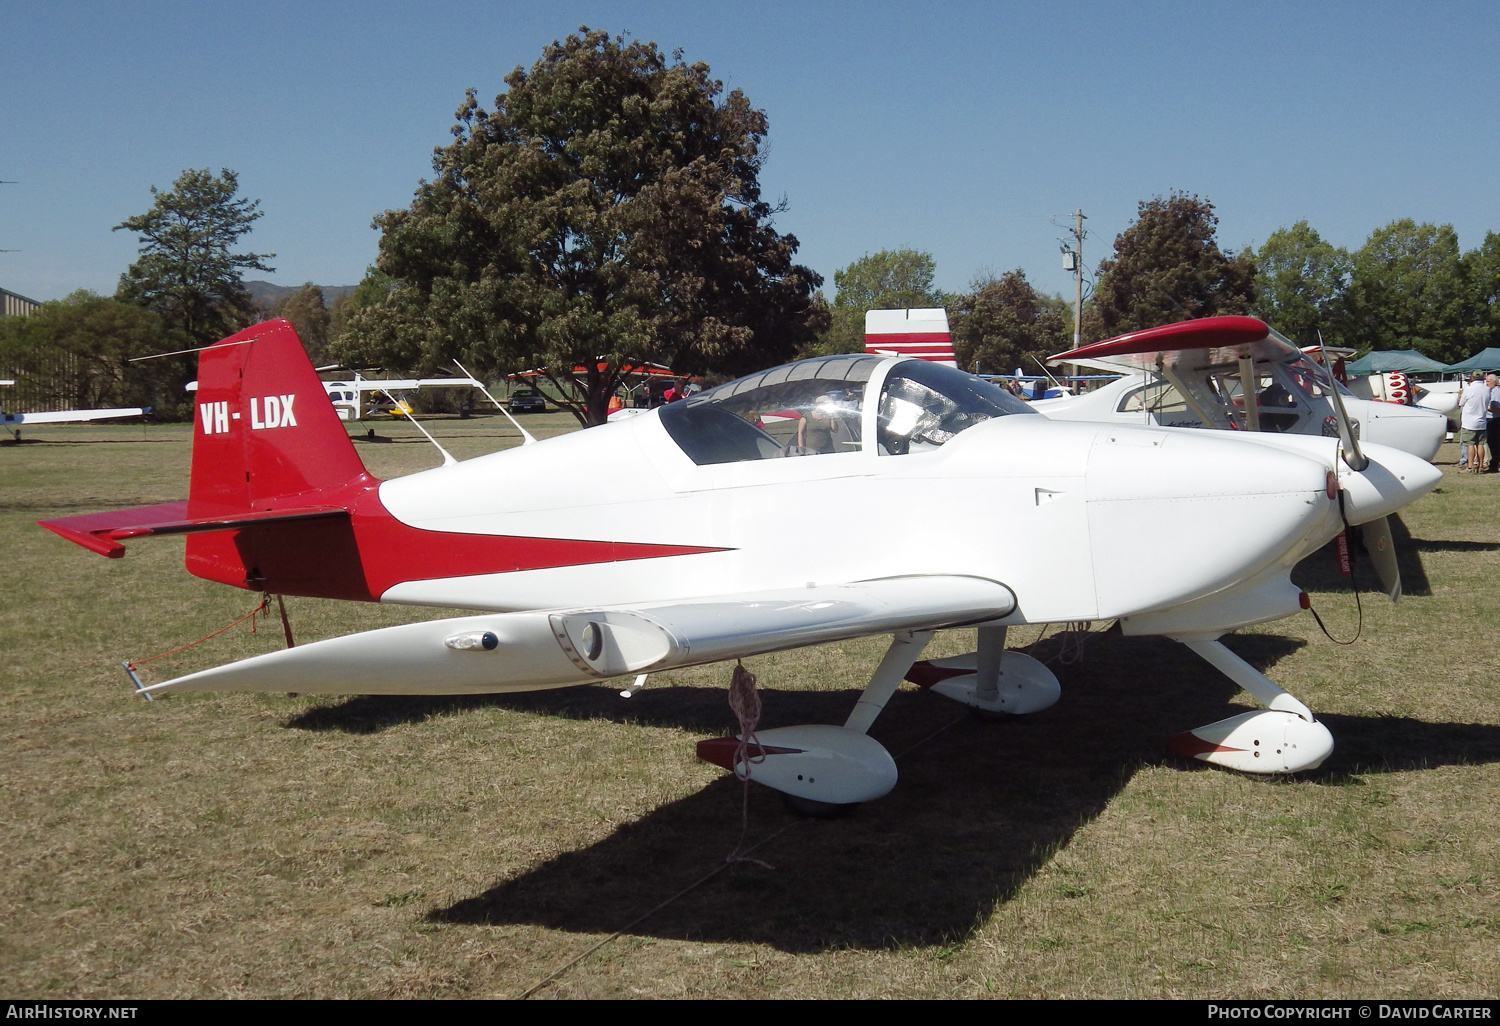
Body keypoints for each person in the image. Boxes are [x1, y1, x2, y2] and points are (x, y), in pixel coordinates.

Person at [1457, 371, 1490, 473]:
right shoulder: (1487, 390)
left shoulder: (1469, 389)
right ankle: (1480, 466)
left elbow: (1461, 403)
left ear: (1472, 378)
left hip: (1469, 422)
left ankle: (1470, 467)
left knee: (1470, 444)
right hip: (1482, 421)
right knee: (1480, 444)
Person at [1487, 373, 1500, 473]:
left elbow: (1498, 409)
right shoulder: (1490, 391)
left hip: (1495, 420)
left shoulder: (1497, 392)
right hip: (1490, 419)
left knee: (1494, 443)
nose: (1486, 383)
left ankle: (1495, 464)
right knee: (1492, 443)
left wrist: (1486, 407)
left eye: (1488, 381)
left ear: (1494, 382)